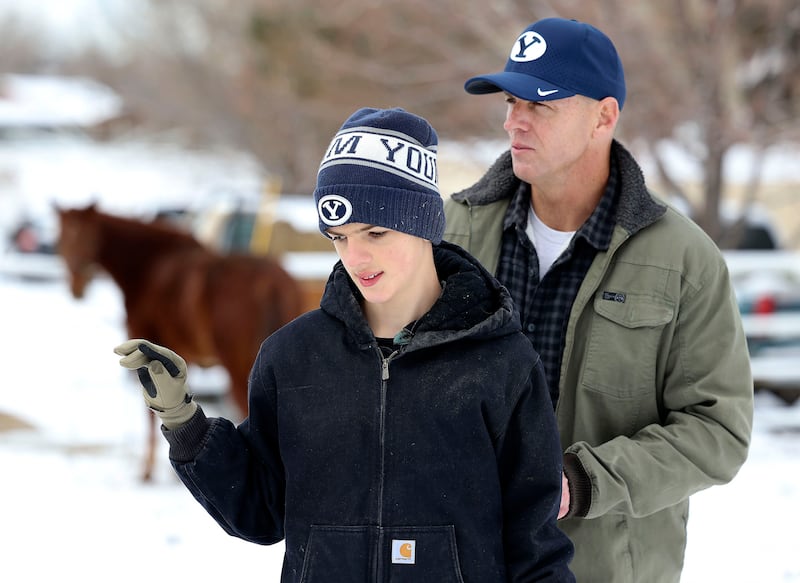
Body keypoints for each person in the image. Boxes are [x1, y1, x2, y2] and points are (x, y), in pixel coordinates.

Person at [115, 107, 575, 582]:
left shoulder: (500, 362)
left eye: (375, 233)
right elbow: (260, 511)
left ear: (422, 222)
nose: (356, 258)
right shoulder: (290, 358)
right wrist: (183, 421)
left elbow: (535, 546)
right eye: (338, 237)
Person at [444, 17, 754, 583]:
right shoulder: (450, 233)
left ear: (604, 116)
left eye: (540, 105)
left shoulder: (685, 260)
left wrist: (582, 481)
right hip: (462, 558)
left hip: (602, 568)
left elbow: (718, 431)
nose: (514, 123)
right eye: (510, 102)